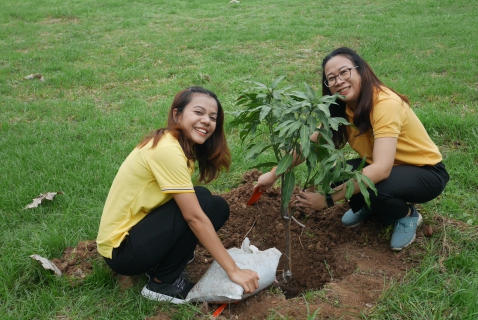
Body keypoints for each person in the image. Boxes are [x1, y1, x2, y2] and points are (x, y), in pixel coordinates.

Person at [253, 47, 449, 251]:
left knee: (375, 188)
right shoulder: (342, 109)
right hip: (383, 166)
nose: (338, 81)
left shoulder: (385, 104)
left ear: (360, 70)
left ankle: (407, 215)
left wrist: (327, 199)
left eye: (344, 72)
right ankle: (371, 207)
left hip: (425, 171)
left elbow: (381, 169)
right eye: (331, 78)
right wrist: (274, 174)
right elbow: (308, 145)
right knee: (335, 174)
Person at [97, 86, 259, 304]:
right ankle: (163, 282)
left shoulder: (176, 145)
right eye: (199, 112)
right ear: (177, 114)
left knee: (216, 205)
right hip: (121, 251)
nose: (207, 121)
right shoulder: (167, 150)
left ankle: (166, 260)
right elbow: (193, 217)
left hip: (136, 234)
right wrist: (233, 270)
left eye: (213, 117)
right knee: (200, 203)